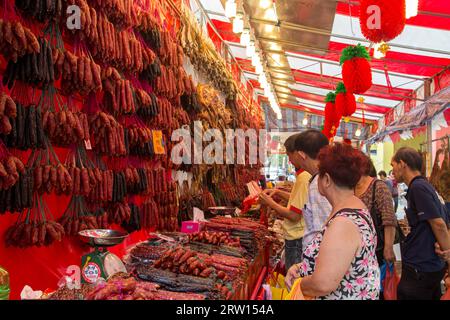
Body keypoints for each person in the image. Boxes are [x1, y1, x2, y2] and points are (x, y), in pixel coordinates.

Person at [285, 143, 380, 299]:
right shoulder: (354, 206)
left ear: (327, 179)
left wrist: (299, 283)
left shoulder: (343, 223)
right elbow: (337, 260)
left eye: (319, 174)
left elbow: (323, 283)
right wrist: (301, 267)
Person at [391, 147, 450, 300]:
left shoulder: (418, 187)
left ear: (402, 164)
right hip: (429, 265)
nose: (392, 171)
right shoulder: (424, 185)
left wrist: (448, 253)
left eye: (393, 165)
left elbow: (439, 224)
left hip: (421, 267)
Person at [259, 134, 311, 271]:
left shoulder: (304, 177)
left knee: (293, 280)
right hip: (299, 237)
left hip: (297, 239)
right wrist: (278, 192)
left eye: (289, 155)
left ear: (299, 153)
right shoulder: (305, 176)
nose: (289, 160)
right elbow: (298, 201)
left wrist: (271, 203)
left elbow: (294, 215)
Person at [288, 129, 332, 252]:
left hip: (320, 260)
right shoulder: (326, 176)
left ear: (302, 155)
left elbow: (321, 232)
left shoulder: (320, 183)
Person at [357, 158, 397, 266]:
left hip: (376, 250)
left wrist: (388, 248)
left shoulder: (379, 186)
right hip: (356, 251)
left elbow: (389, 219)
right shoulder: (350, 188)